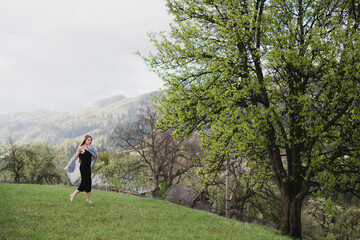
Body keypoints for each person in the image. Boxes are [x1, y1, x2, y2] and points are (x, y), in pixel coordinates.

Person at [66, 134, 98, 203]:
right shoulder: (80, 148)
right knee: (84, 182)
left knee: (88, 182)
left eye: (91, 140)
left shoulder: (91, 148)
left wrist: (91, 149)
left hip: (88, 167)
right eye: (88, 140)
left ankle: (87, 198)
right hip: (83, 167)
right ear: (85, 140)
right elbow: (76, 157)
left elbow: (95, 157)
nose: (90, 141)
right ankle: (75, 195)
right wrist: (70, 165)